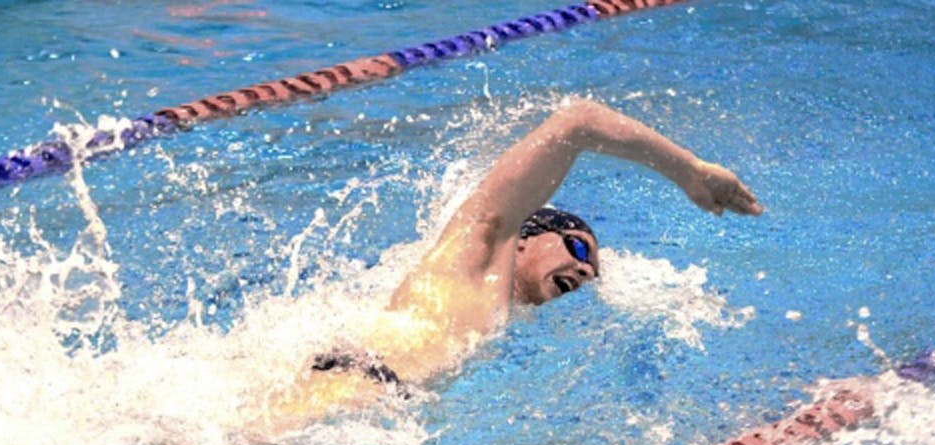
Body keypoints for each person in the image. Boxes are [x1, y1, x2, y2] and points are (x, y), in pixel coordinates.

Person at [273, 98, 762, 423]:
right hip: (343, 394)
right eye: (577, 247)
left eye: (592, 269)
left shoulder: (494, 322)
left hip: (362, 406)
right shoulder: (477, 253)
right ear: (525, 238)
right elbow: (578, 122)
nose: (585, 269)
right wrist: (690, 172)